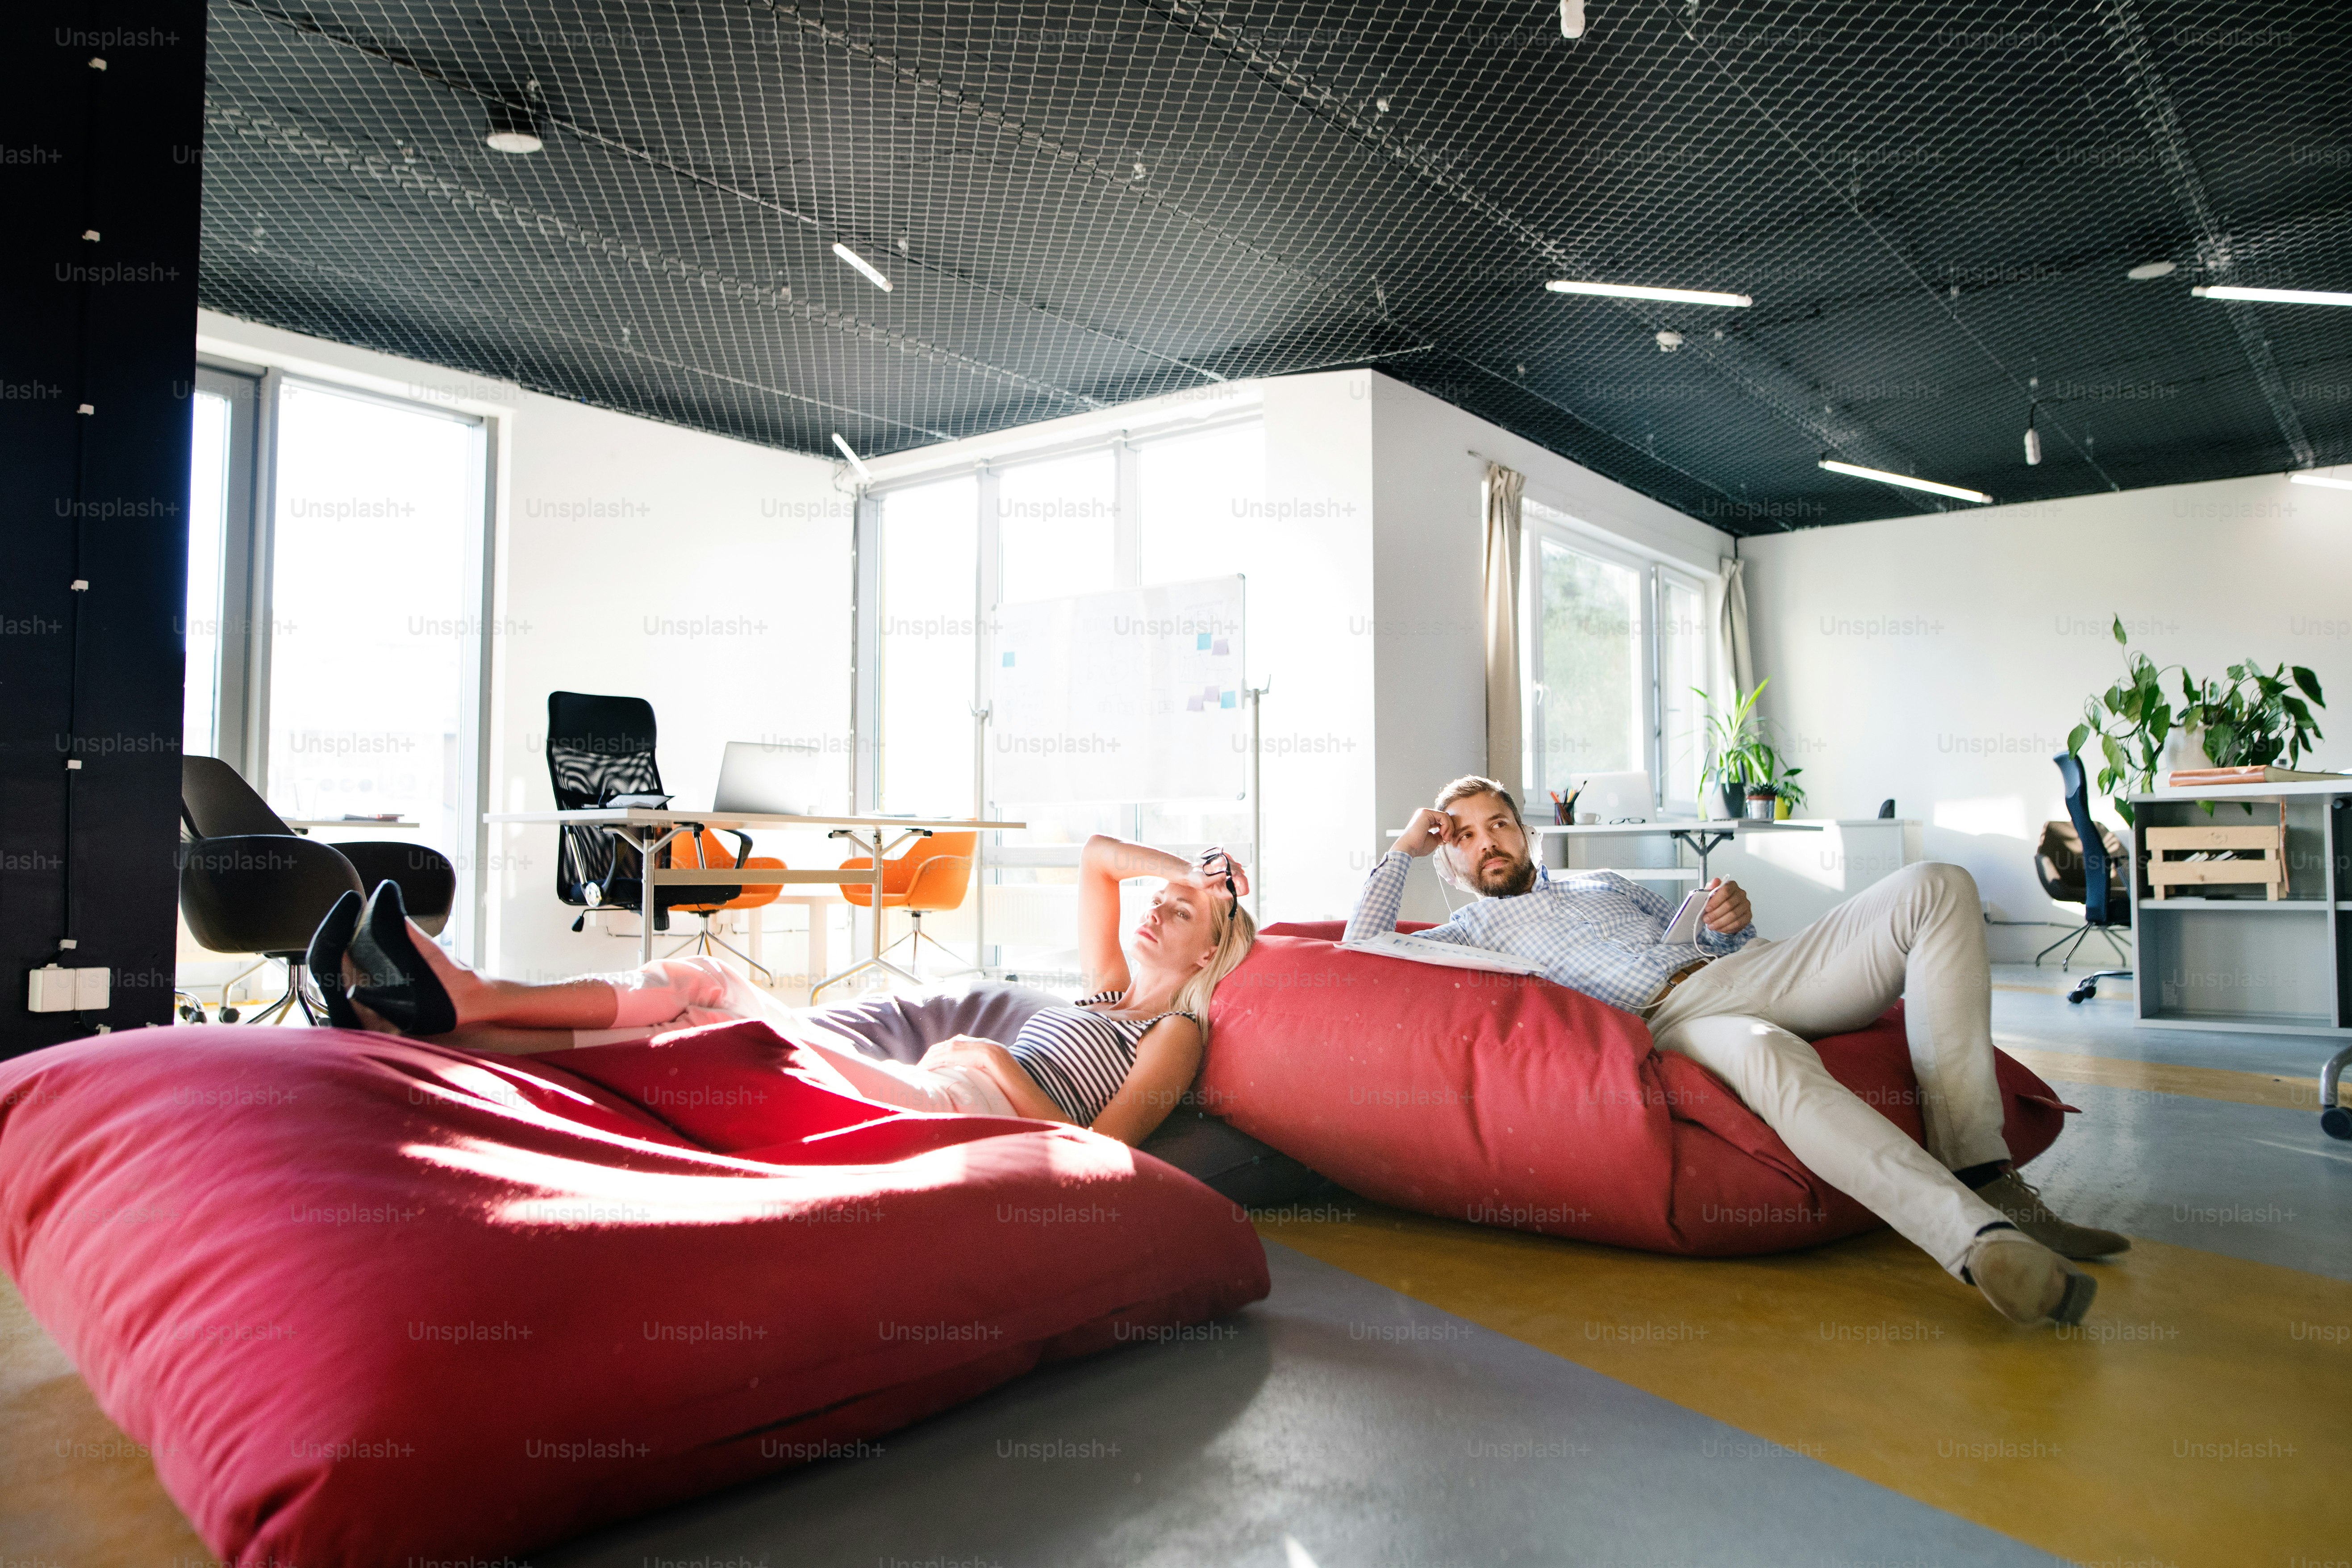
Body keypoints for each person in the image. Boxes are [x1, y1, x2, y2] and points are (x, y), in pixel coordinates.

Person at [1347, 774, 2125, 1330]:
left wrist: (1728, 918)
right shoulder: (1464, 935)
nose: (1487, 843)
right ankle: (1981, 1244)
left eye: (1499, 825)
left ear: (1526, 832)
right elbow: (1361, 943)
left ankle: (1981, 1165)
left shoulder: (1604, 882)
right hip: (1673, 1023)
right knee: (1772, 1060)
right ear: (1450, 858)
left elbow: (1711, 934)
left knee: (1938, 882)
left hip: (1745, 969)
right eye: (1466, 835)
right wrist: (1407, 847)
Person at [307, 834, 1255, 1149]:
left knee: (712, 997)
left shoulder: (1170, 1031)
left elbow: (1100, 1151)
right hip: (925, 1078)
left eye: (1180, 913)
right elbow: (1095, 856)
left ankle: (454, 1003)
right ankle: (454, 1012)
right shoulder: (1108, 990)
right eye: (1160, 900)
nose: (1154, 910)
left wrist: (990, 1059)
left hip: (949, 1105)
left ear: (1212, 949)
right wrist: (1198, 866)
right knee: (696, 983)